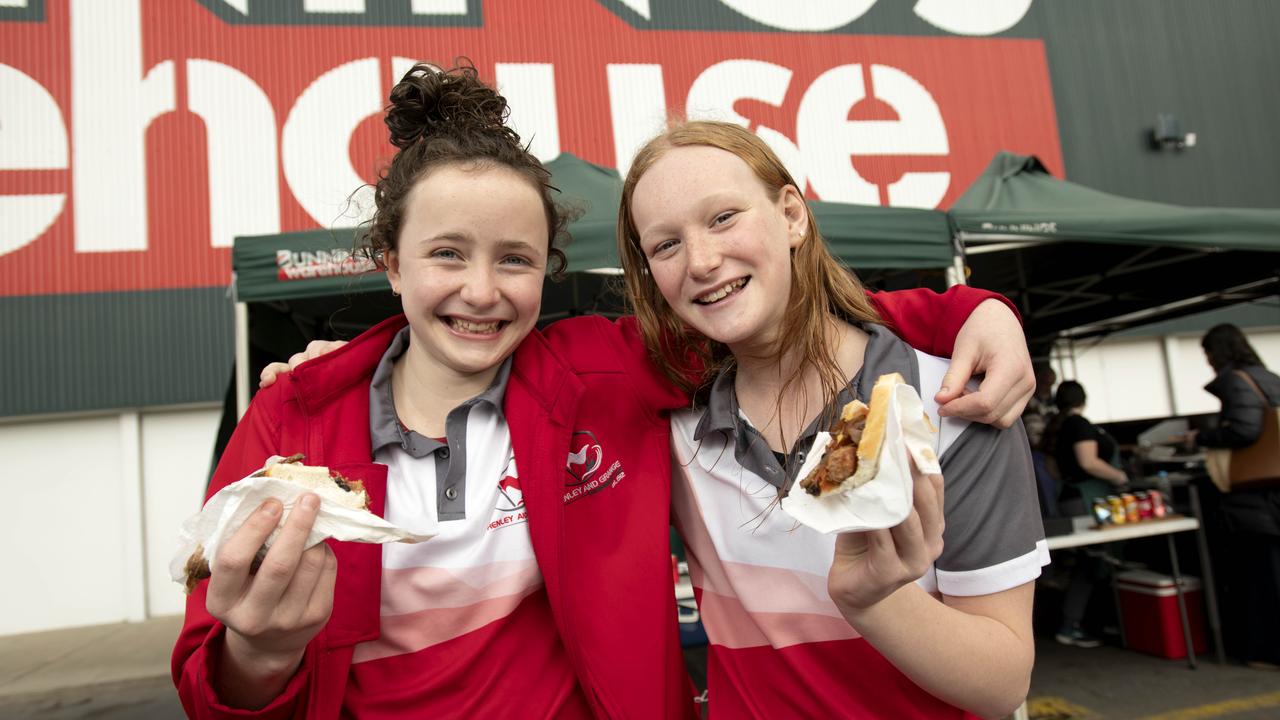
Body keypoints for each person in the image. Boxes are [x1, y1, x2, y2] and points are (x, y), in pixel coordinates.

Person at [180, 64, 1035, 719]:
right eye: (446, 254)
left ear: (545, 273)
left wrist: (969, 309)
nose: (481, 291)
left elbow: (765, 313)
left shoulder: (595, 374)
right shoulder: (293, 423)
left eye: (514, 259)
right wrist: (261, 651)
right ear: (389, 261)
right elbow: (210, 677)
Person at [617, 121, 1046, 719]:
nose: (702, 261)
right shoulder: (668, 423)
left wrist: (874, 604)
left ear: (792, 214)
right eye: (665, 245)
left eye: (722, 218)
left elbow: (1002, 682)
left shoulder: (950, 401)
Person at [1195, 323, 1280, 670]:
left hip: (1254, 493)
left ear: (1219, 351)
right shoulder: (1267, 376)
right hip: (1273, 490)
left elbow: (1245, 429)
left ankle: (1266, 651)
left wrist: (1204, 437)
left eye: (1209, 353)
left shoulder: (1237, 380)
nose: (1209, 361)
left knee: (1261, 576)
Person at [1046, 380, 1125, 648]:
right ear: (1083, 398)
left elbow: (1054, 470)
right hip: (1086, 499)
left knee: (1087, 561)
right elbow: (1089, 462)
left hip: (1069, 497)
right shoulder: (1079, 426)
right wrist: (1120, 477)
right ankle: (1073, 623)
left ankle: (1082, 620)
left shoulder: (1056, 429)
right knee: (1092, 562)